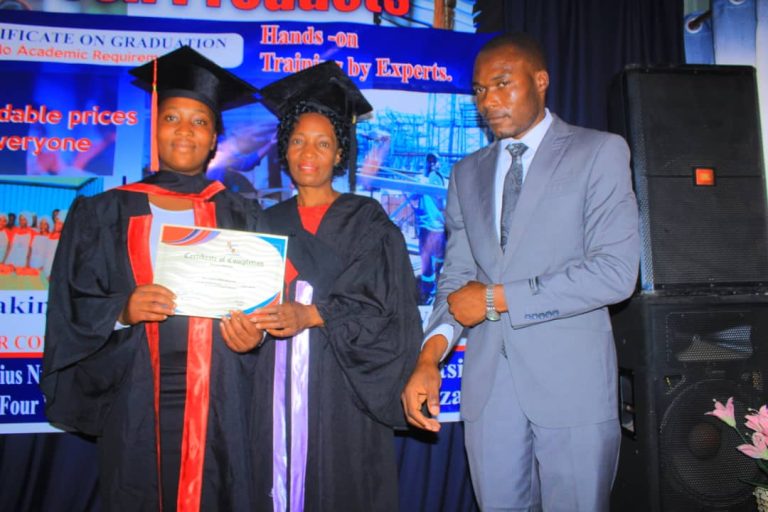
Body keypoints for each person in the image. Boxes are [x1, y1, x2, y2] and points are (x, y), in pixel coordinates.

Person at [401, 33, 640, 511]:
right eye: (479, 90)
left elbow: (615, 273)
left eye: (502, 84)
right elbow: (456, 278)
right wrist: (429, 358)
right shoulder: (466, 172)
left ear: (541, 80)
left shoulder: (599, 151)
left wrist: (496, 298)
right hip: (489, 391)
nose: (488, 100)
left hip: (573, 387)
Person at [41, 46, 264, 511]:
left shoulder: (242, 215)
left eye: (199, 121)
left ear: (214, 138)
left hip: (220, 392)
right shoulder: (104, 212)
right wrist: (121, 310)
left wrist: (253, 336)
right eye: (172, 118)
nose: (184, 130)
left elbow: (262, 307)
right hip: (134, 392)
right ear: (154, 128)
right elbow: (71, 301)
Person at [242, 62, 422, 511]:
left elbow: (389, 310)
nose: (309, 152)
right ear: (284, 149)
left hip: (345, 387)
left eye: (323, 143)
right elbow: (248, 307)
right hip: (273, 386)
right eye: (298, 140)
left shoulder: (367, 222)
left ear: (340, 154)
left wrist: (312, 314)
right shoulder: (264, 223)